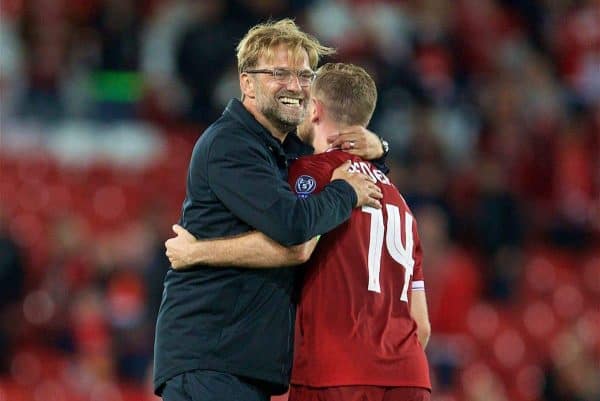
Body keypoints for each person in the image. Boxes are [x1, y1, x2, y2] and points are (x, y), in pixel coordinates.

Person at [166, 63, 432, 401]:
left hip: (333, 373)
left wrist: (197, 251)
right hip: (409, 378)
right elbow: (421, 326)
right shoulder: (402, 205)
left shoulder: (304, 177)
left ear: (316, 109)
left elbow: (297, 242)